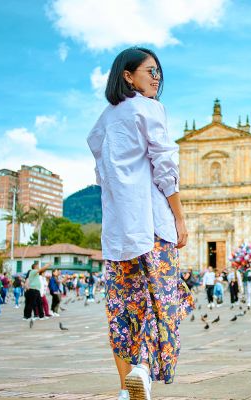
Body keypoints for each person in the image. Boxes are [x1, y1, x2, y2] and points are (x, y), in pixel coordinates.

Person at [87, 46, 194, 400]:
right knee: (162, 301)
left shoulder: (103, 122)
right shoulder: (150, 109)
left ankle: (125, 391)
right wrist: (179, 217)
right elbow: (165, 167)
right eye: (150, 71)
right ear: (127, 76)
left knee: (121, 308)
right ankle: (143, 370)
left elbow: (103, 176)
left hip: (118, 232)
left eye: (158, 72)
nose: (156, 77)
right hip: (152, 226)